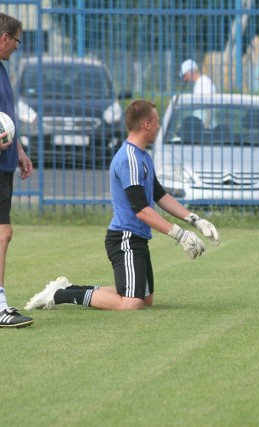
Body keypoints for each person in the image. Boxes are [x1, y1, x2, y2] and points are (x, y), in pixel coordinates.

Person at [25, 99, 221, 311]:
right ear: (146, 124)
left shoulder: (142, 155)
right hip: (125, 239)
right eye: (156, 122)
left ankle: (68, 287)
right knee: (131, 303)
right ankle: (60, 294)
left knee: (145, 300)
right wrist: (180, 235)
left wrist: (195, 220)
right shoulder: (129, 158)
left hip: (137, 239)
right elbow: (141, 211)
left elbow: (160, 196)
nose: (158, 127)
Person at [0, 14, 34, 328]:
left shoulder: (2, 70)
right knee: (3, 232)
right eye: (17, 41)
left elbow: (6, 119)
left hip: (6, 163)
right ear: (4, 38)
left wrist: (19, 151)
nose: (16, 48)